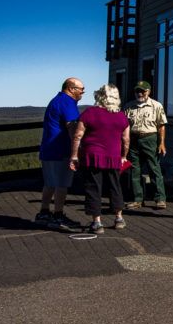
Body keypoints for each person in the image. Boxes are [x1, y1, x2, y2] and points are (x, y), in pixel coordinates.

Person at [69, 84, 130, 235]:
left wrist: (74, 156)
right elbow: (126, 140)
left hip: (92, 157)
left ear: (100, 96)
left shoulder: (89, 113)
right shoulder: (121, 117)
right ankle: (119, 218)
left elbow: (78, 136)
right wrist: (124, 156)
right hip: (114, 157)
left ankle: (97, 222)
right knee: (115, 186)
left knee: (93, 187)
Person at [36, 78, 85, 231]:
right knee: (62, 184)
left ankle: (44, 213)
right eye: (81, 89)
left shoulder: (56, 100)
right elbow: (72, 128)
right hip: (61, 150)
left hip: (48, 149)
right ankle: (58, 216)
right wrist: (76, 151)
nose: (83, 92)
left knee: (50, 183)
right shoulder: (67, 103)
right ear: (71, 89)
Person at [123, 81, 168, 210]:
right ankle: (138, 199)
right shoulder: (128, 106)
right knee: (135, 170)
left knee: (154, 168)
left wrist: (162, 143)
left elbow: (161, 126)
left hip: (150, 138)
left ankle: (160, 199)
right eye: (137, 91)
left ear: (148, 91)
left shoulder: (156, 105)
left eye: (142, 91)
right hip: (133, 139)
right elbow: (124, 126)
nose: (140, 94)